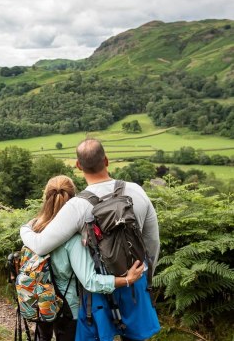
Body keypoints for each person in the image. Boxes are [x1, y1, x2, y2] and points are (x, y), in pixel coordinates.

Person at [21, 138, 160, 341]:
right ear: (106, 160)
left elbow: (42, 245)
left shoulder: (77, 206)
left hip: (99, 290)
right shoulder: (136, 191)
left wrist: (25, 230)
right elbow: (152, 242)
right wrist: (146, 276)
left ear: (78, 166)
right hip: (135, 278)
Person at [30, 175, 145, 341]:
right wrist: (126, 280)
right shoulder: (73, 240)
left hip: (41, 300)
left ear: (45, 197)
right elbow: (90, 281)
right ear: (74, 198)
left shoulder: (36, 229)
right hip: (68, 308)